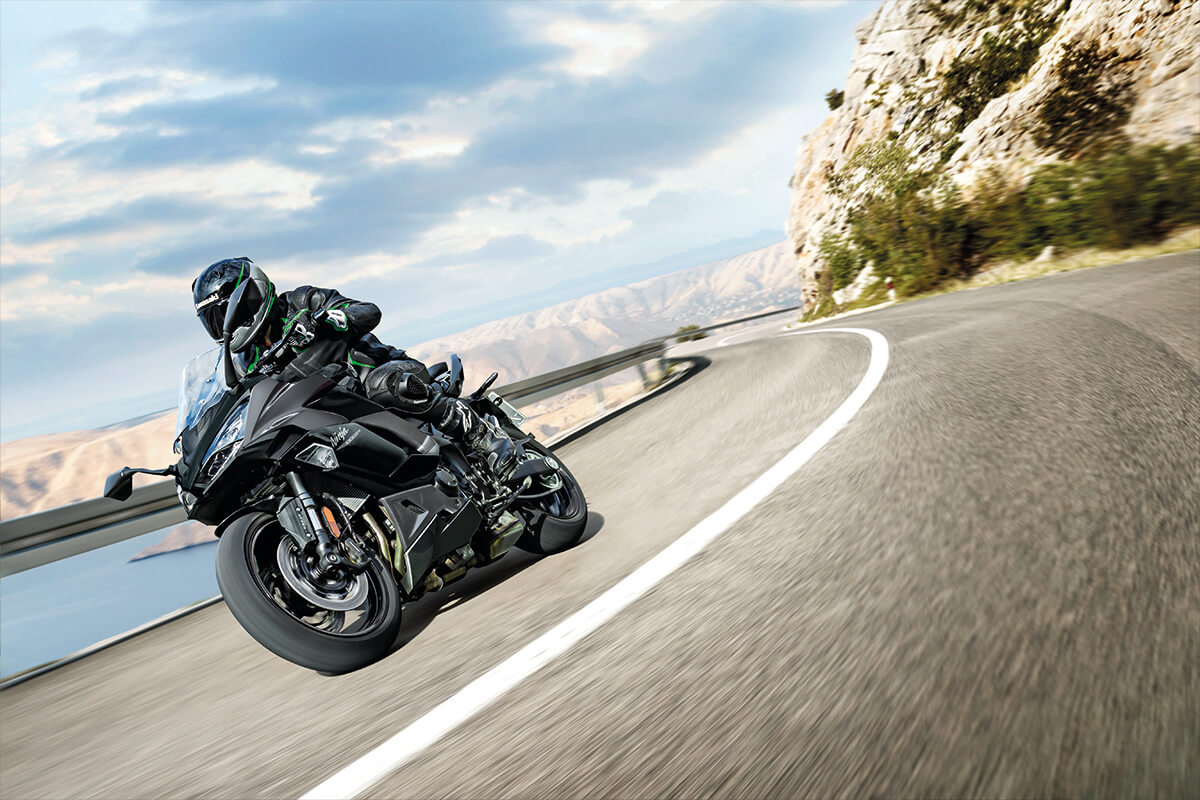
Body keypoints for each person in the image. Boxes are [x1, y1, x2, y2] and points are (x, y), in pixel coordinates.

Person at [191, 257, 516, 474]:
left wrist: (326, 318)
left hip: (379, 377)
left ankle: (480, 433)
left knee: (385, 386)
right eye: (214, 320)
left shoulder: (300, 302)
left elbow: (368, 311)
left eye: (225, 314)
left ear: (251, 297)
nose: (223, 326)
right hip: (332, 416)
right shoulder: (244, 363)